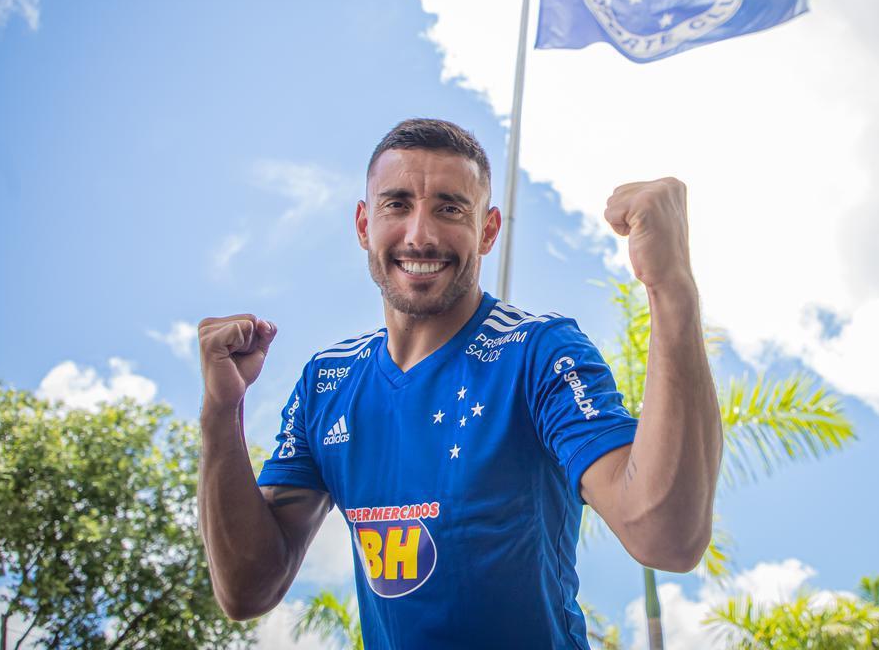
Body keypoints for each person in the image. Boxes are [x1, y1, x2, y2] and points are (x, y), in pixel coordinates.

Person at [197, 119, 722, 648]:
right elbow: (246, 590)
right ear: (363, 224)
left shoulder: (538, 351)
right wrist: (222, 410)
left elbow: (666, 536)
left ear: (488, 230)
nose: (420, 234)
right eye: (396, 204)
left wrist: (671, 285)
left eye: (450, 208)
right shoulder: (326, 382)